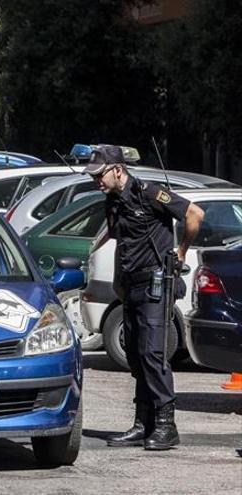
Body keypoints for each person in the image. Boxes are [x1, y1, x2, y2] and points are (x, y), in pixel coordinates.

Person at [85, 144, 203, 451]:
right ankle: (143, 423)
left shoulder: (149, 193)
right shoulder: (111, 203)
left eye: (99, 174)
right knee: (136, 355)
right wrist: (117, 282)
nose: (96, 180)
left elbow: (194, 213)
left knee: (153, 354)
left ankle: (166, 425)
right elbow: (120, 243)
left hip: (155, 284)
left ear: (118, 170)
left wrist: (180, 252)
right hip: (131, 286)